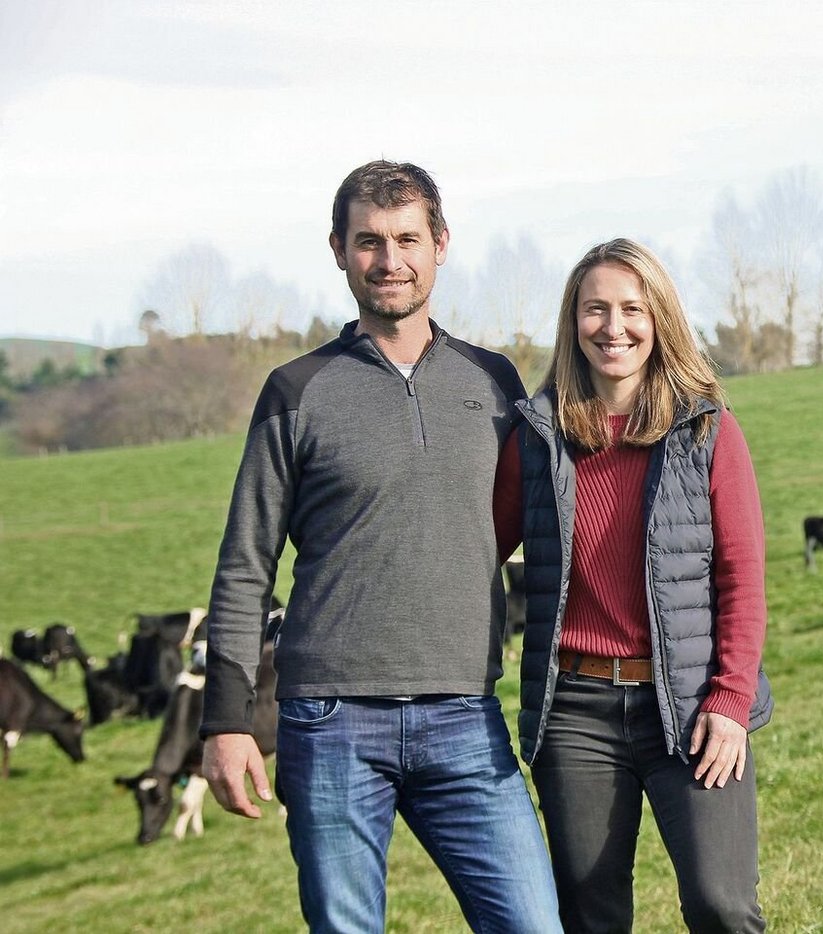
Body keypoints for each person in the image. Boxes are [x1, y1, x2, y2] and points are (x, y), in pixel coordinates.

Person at [200, 160, 561, 934]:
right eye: (369, 241)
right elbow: (244, 565)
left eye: (407, 239)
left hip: (465, 715)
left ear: (440, 244)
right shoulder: (296, 390)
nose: (389, 259)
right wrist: (227, 721)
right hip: (328, 721)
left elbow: (545, 519)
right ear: (338, 249)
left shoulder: (494, 382)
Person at [496, 238, 774, 933]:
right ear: (573, 321)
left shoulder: (706, 431)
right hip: (575, 712)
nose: (613, 327)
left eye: (631, 309)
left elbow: (743, 579)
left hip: (691, 705)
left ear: (660, 320)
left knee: (722, 905)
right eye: (595, 309)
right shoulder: (537, 437)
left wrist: (731, 700)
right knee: (590, 917)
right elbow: (475, 554)